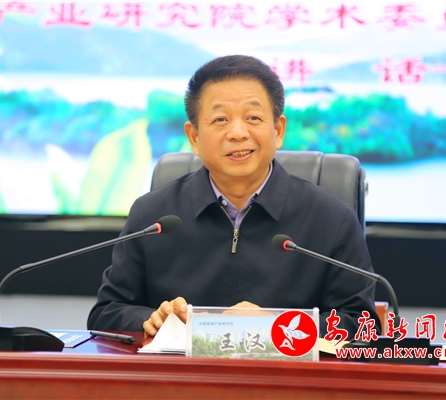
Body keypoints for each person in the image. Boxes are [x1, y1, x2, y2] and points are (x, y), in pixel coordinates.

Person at [88, 55, 379, 338]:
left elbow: (362, 325)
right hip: (183, 371)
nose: (238, 133)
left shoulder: (332, 218)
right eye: (220, 119)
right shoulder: (152, 215)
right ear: (194, 137)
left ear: (278, 130)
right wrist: (150, 319)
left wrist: (278, 326)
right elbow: (106, 313)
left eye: (253, 117)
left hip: (285, 370)